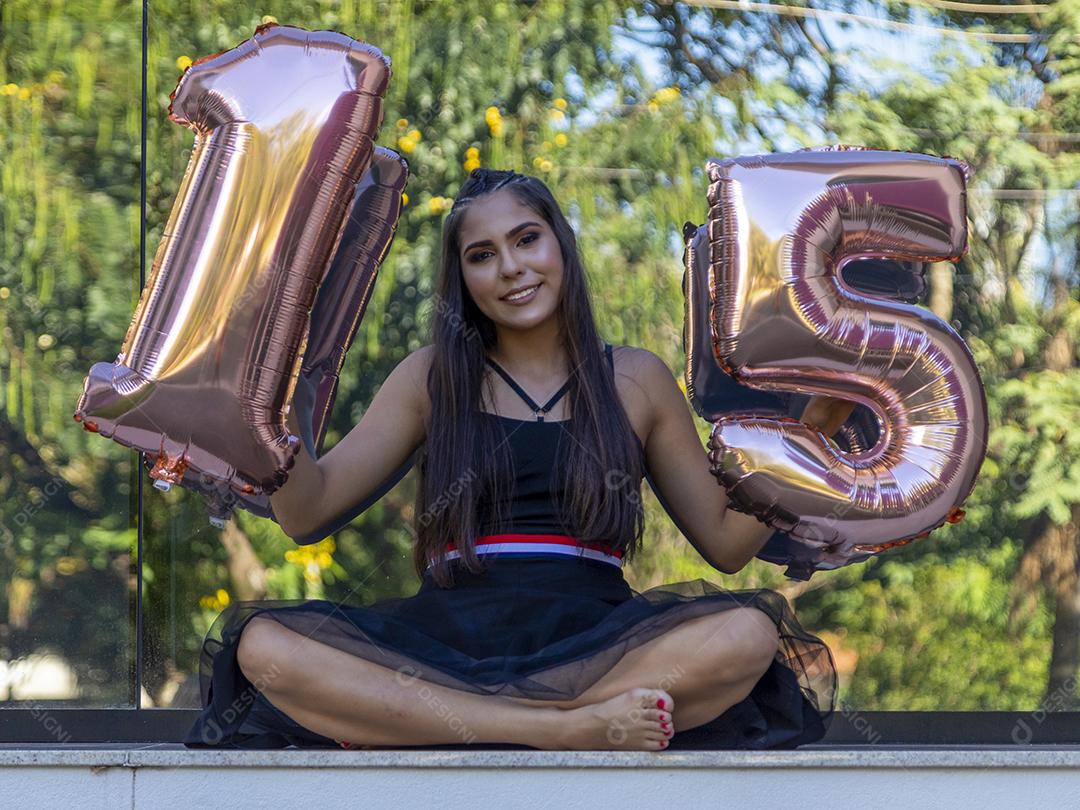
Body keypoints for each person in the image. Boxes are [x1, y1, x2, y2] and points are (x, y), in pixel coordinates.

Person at [184, 168, 851, 751]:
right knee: (264, 648)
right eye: (482, 254)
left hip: (601, 645)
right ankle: (562, 728)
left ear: (560, 242)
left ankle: (494, 721)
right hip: (444, 646)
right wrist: (266, 407)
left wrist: (814, 427)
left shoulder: (637, 379)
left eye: (526, 239)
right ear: (463, 278)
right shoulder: (430, 378)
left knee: (746, 635)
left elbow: (728, 544)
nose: (510, 267)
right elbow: (307, 514)